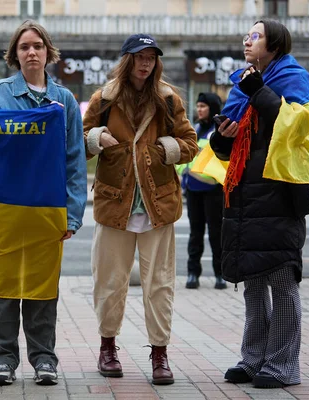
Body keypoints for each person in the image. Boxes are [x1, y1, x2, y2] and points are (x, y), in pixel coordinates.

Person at [82, 34, 197, 385]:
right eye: (139, 57)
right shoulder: (104, 98)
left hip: (157, 205)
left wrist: (166, 148)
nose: (145, 63)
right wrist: (96, 138)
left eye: (151, 57)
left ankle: (159, 354)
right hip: (113, 203)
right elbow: (79, 142)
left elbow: (190, 143)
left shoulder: (167, 98)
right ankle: (107, 348)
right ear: (126, 60)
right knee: (109, 281)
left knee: (159, 284)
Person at [0, 20, 87, 386]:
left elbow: (74, 159)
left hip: (47, 208)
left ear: (48, 53)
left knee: (42, 287)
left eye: (38, 46)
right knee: (1, 287)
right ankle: (3, 360)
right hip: (5, 207)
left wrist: (72, 214)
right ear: (15, 54)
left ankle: (44, 359)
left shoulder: (67, 101)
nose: (32, 52)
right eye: (24, 47)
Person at [210, 20, 309, 388]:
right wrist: (223, 137)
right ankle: (253, 359)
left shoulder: (293, 77)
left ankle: (283, 365)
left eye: (255, 35)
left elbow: (299, 127)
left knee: (282, 277)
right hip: (244, 193)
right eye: (247, 35)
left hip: (279, 191)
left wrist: (259, 91)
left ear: (275, 42)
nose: (247, 40)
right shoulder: (245, 82)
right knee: (253, 279)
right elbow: (236, 142)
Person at [181, 92, 226, 290]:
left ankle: (220, 275)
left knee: (217, 234)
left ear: (213, 108)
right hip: (193, 189)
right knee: (195, 234)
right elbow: (184, 160)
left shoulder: (219, 133)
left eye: (203, 106)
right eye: (198, 106)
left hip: (214, 190)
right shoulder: (195, 130)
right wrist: (184, 177)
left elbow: (223, 161)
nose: (199, 109)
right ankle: (193, 273)